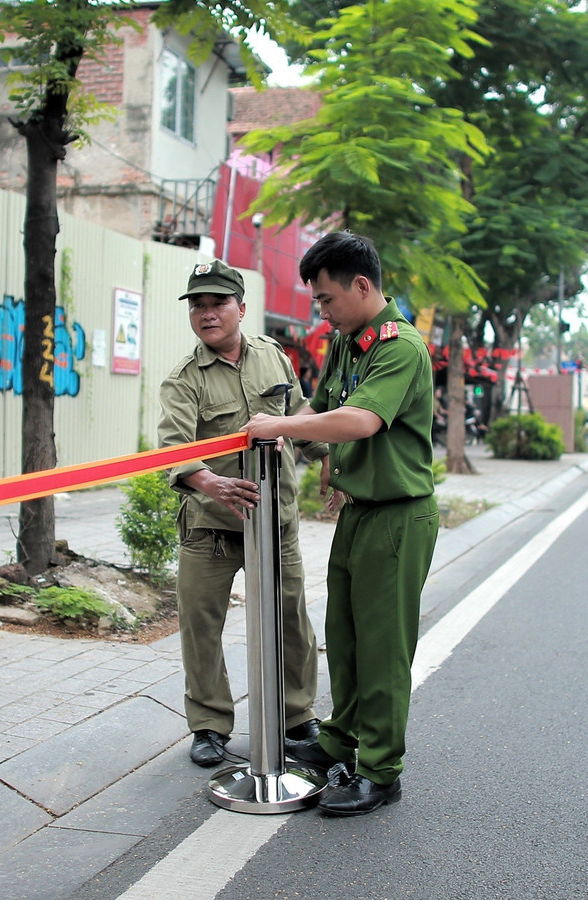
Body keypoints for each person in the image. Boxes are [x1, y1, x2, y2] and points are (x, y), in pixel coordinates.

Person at [243, 232, 439, 817]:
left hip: (397, 517)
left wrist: (281, 429)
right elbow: (322, 405)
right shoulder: (349, 343)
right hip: (357, 510)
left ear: (361, 285)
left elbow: (359, 420)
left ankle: (380, 770)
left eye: (327, 299)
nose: (321, 312)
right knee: (347, 636)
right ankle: (341, 739)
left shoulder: (400, 347)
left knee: (383, 648)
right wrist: (301, 437)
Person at [158, 259, 327, 768]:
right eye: (198, 305)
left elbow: (299, 415)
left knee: (291, 621)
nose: (207, 313)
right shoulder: (183, 380)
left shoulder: (273, 357)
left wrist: (326, 459)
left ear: (241, 308)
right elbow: (173, 449)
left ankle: (297, 716)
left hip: (275, 522)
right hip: (211, 528)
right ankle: (210, 724)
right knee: (200, 627)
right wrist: (210, 482)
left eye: (218, 303)